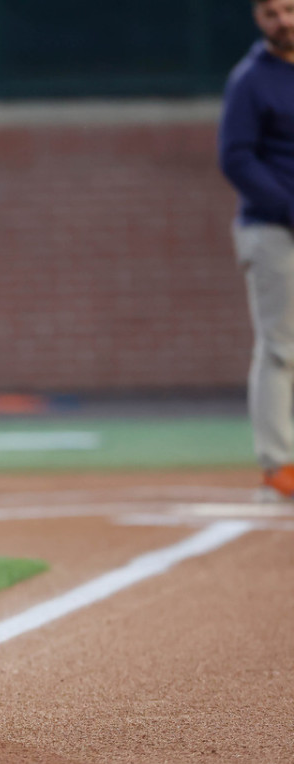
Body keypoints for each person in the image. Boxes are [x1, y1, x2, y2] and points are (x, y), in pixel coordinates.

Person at [218, 0, 294, 499]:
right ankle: (279, 463)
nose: (282, 20)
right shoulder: (250, 80)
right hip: (273, 230)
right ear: (257, 19)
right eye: (271, 12)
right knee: (281, 345)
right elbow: (236, 158)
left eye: (289, 9)